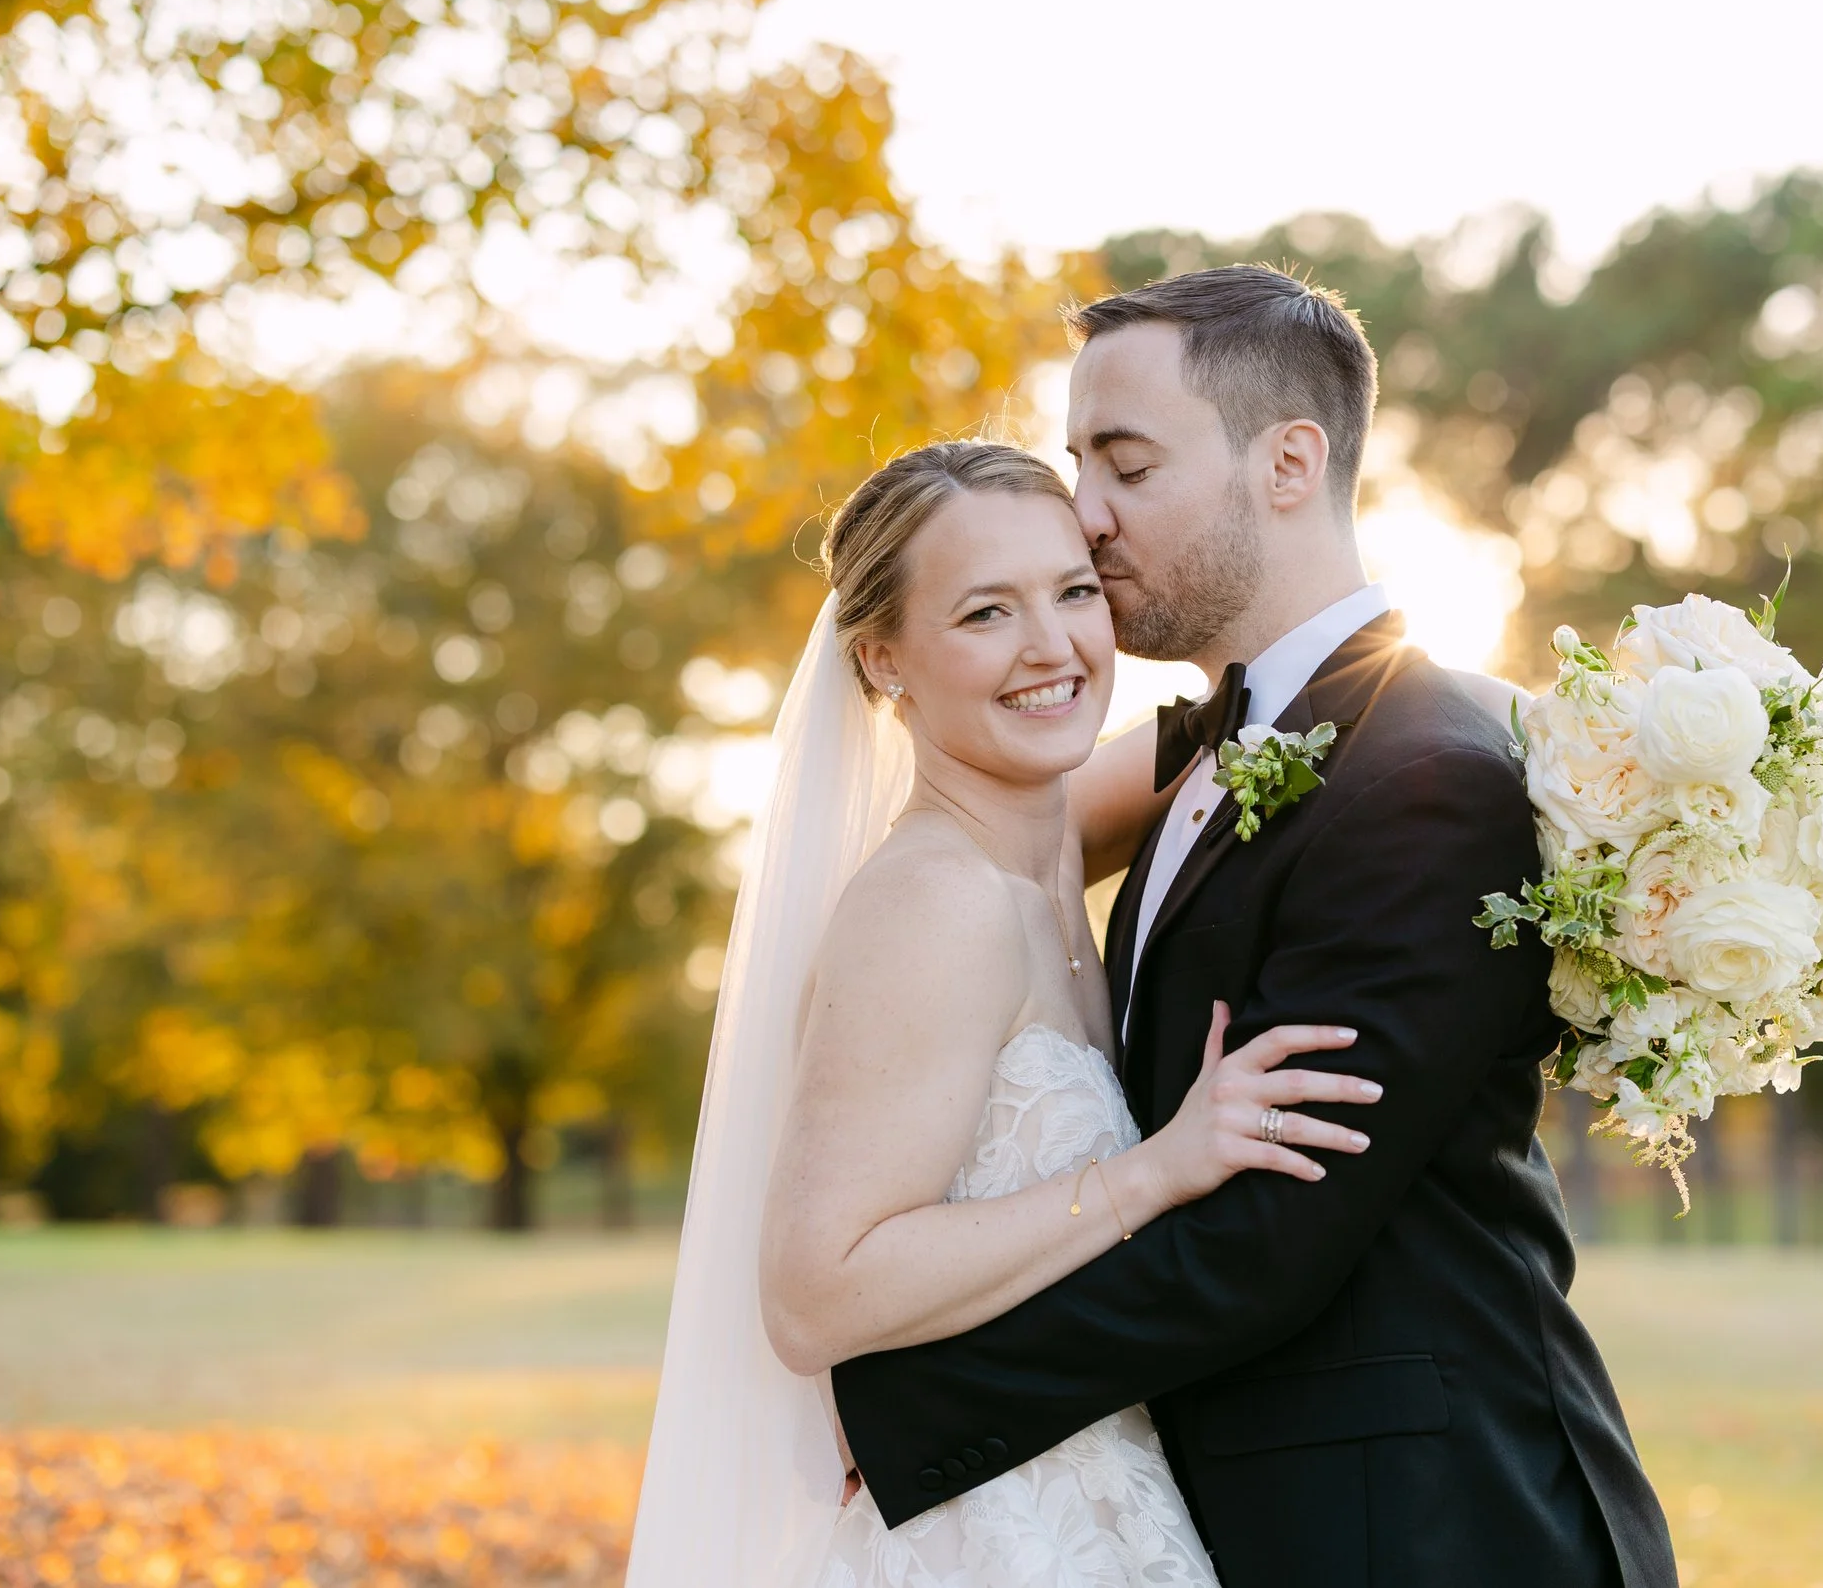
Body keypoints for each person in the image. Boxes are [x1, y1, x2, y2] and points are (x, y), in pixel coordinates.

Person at [828, 268, 1679, 1587]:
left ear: (1289, 461)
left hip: (1428, 1522)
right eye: (1078, 465)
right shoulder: (1217, 747)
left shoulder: (1426, 778)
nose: (1084, 515)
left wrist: (916, 1411)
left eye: (1126, 465)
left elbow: (1270, 1235)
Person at [626, 438, 1379, 1588]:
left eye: (1074, 590)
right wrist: (1159, 1169)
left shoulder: (1049, 832)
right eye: (984, 613)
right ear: (884, 659)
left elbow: (1284, 719)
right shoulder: (936, 902)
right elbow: (814, 1289)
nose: (1053, 647)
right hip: (989, 1536)